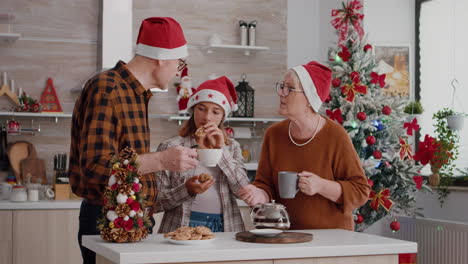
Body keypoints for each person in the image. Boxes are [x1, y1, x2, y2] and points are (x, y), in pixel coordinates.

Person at [69, 17, 199, 264]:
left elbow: (129, 165)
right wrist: (162, 160)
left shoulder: (136, 94)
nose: (178, 72)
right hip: (107, 220)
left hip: (134, 218)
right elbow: (96, 167)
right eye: (179, 63)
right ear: (161, 58)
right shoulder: (107, 89)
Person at [238, 61, 370, 231]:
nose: (281, 93)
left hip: (331, 239)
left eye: (289, 88)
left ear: (309, 98)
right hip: (285, 237)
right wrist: (258, 193)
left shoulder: (336, 136)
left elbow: (360, 191)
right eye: (282, 86)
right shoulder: (274, 134)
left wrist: (321, 185)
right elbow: (265, 185)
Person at [156, 76, 250, 233]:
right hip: (181, 227)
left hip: (225, 227)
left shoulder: (232, 148)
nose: (207, 117)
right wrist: (187, 190)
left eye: (215, 111)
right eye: (201, 108)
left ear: (223, 116)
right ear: (193, 109)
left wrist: (221, 149)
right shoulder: (171, 147)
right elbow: (157, 202)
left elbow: (243, 192)